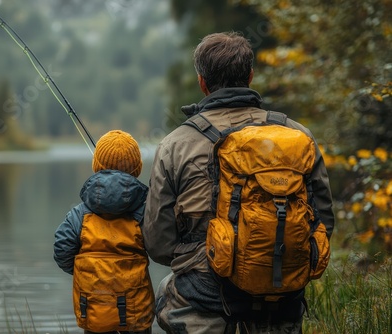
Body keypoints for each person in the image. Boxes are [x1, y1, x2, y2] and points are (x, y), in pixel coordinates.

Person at [142, 32, 335, 333]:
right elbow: (323, 222)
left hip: (204, 301)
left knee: (167, 289)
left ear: (202, 82)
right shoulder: (298, 135)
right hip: (283, 299)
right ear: (250, 75)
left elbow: (158, 244)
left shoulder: (175, 144)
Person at [53, 130, 155, 334]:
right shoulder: (145, 213)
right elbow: (161, 248)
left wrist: (88, 271)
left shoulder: (79, 215)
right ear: (137, 169)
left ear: (96, 166)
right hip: (136, 311)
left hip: (93, 306)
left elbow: (61, 249)